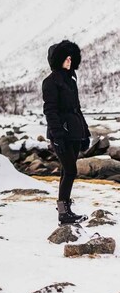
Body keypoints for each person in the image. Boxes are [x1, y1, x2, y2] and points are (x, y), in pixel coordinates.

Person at [42, 40, 90, 225]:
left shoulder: (71, 81)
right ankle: (63, 212)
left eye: (71, 57)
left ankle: (65, 207)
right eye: (65, 57)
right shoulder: (50, 82)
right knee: (71, 171)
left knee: (66, 170)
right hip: (61, 135)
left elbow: (77, 109)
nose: (69, 60)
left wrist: (85, 133)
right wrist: (58, 136)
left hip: (75, 134)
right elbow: (50, 111)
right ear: (57, 59)